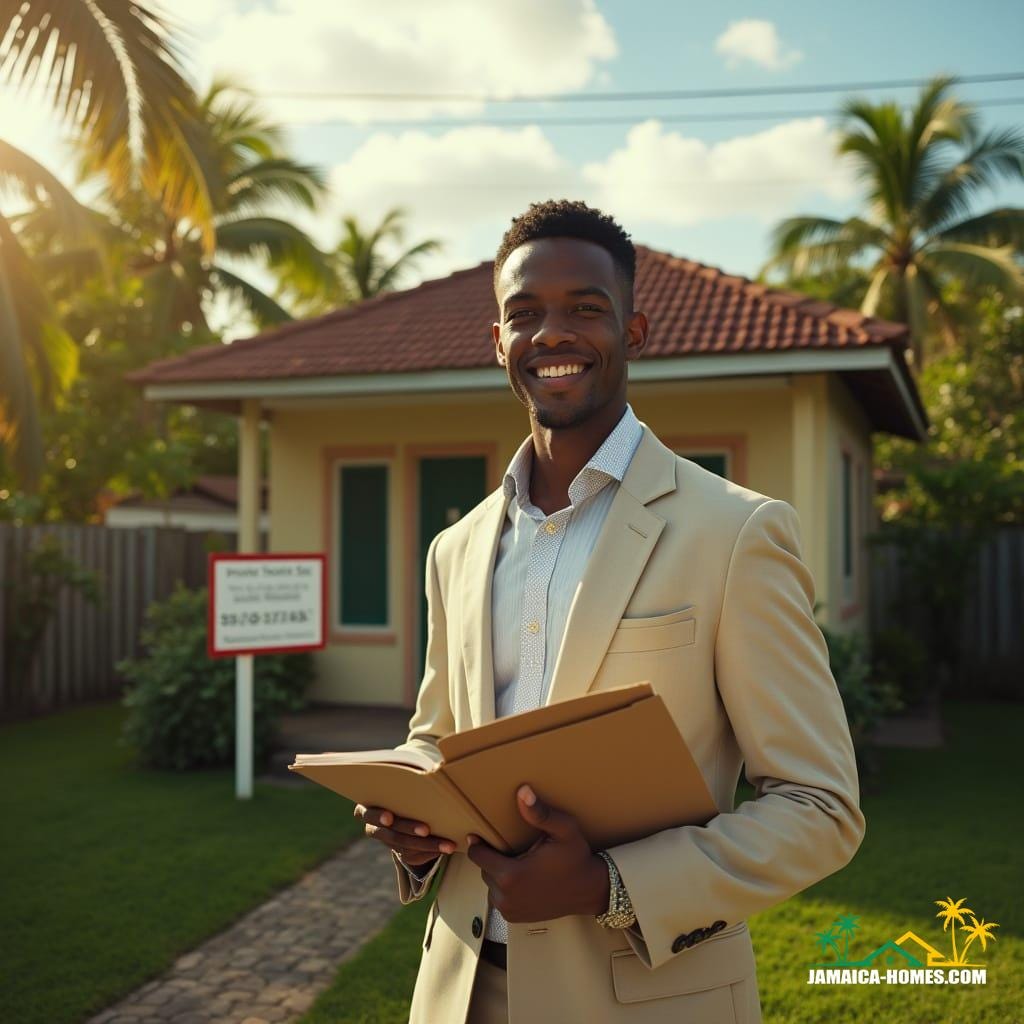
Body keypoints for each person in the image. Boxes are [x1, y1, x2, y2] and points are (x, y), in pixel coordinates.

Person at [354, 199, 865, 1023]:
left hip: (644, 994)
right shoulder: (457, 548)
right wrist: (410, 818)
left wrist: (610, 886)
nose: (552, 334)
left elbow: (821, 808)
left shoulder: (736, 532)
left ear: (637, 330)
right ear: (498, 343)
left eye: (585, 310)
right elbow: (436, 738)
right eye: (524, 314)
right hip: (461, 988)